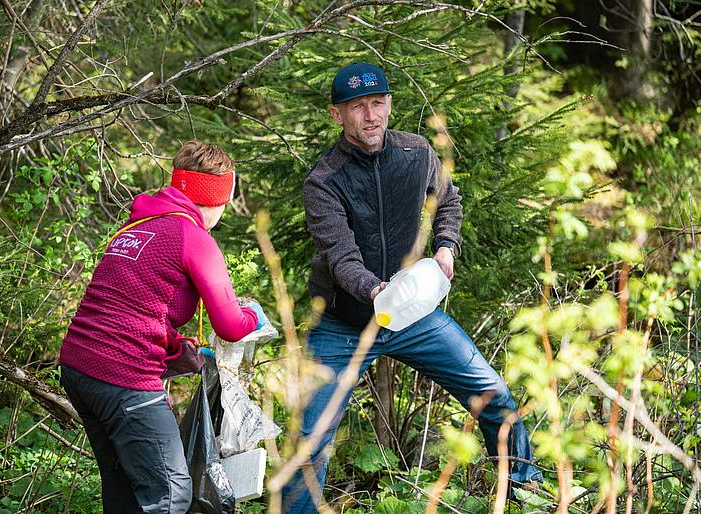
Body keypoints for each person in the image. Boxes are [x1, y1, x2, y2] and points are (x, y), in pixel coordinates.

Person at [281, 62, 542, 512]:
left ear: (390, 104)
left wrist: (446, 248)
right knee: (310, 439)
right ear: (336, 115)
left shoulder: (416, 152)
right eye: (357, 107)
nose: (371, 116)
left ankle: (524, 490)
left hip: (412, 317)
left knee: (493, 394)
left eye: (378, 103)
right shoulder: (324, 181)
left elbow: (449, 201)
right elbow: (341, 257)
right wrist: (377, 290)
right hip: (343, 324)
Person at [59, 140, 266, 513]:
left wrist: (173, 346)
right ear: (218, 196)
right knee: (170, 492)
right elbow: (232, 326)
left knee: (124, 487)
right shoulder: (194, 237)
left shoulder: (137, 226)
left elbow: (131, 303)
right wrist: (256, 316)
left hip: (78, 367)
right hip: (122, 376)